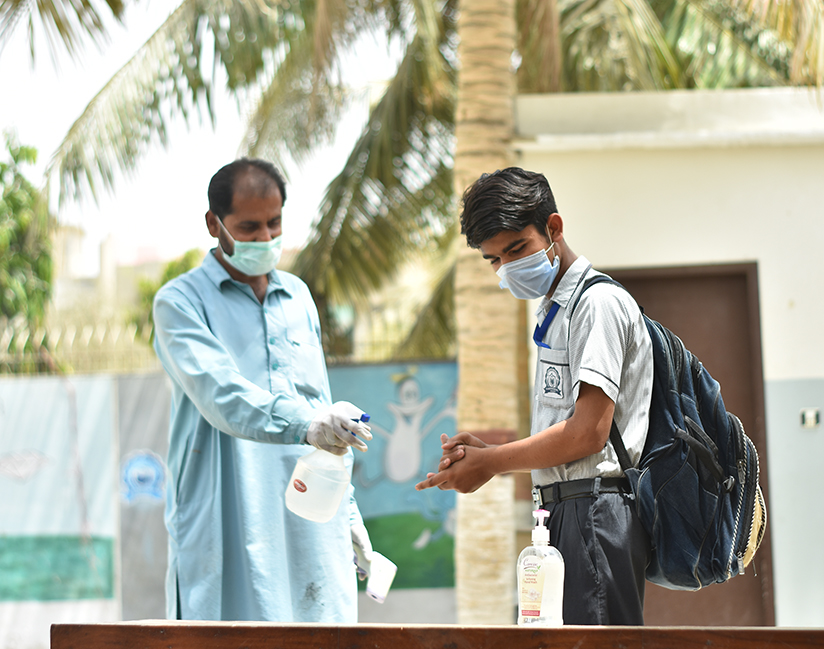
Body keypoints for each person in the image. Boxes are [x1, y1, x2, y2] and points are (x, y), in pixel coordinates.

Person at [416, 167, 653, 625]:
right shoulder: (555, 310)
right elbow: (565, 434)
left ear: (554, 228)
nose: (507, 268)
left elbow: (588, 433)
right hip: (563, 513)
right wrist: (488, 454)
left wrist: (491, 462)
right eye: (493, 260)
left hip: (595, 514)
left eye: (516, 249)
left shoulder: (597, 304)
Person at [153, 157, 375, 622]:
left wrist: (349, 510)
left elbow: (319, 402)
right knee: (230, 643)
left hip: (311, 514)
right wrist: (308, 423)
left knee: (323, 641)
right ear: (214, 224)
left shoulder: (298, 295)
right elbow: (221, 394)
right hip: (228, 515)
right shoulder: (179, 302)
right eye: (249, 227)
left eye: (274, 223)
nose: (265, 238)